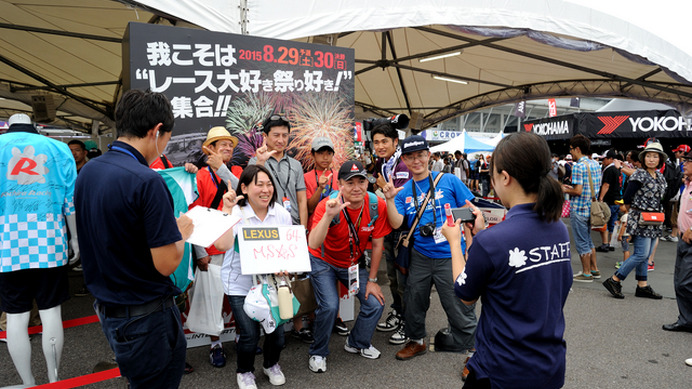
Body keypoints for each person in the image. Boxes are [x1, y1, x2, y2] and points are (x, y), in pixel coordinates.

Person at [75, 89, 194, 389]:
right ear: (156, 131)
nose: (164, 147)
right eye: (166, 138)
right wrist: (181, 233)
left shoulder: (89, 170)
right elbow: (166, 263)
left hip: (110, 308)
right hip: (146, 317)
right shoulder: (147, 180)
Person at [441, 131, 571, 389]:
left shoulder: (494, 241)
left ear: (504, 177)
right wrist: (477, 237)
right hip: (550, 364)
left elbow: (465, 294)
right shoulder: (558, 228)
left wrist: (455, 243)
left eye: (492, 175)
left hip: (501, 370)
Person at [382, 135, 477, 361]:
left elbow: (472, 212)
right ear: (404, 159)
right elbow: (396, 223)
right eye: (410, 157)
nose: (416, 161)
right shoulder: (404, 191)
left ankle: (475, 353)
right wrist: (387, 200)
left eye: (420, 155)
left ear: (428, 156)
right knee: (414, 300)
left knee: (458, 303)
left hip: (450, 255)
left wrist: (467, 243)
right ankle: (417, 341)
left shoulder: (449, 180)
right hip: (420, 255)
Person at [0, 113, 79, 386]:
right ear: (34, 126)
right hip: (50, 240)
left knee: (15, 317)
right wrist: (75, 239)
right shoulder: (58, 148)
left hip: (7, 245)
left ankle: (28, 382)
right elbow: (70, 200)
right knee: (50, 312)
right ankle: (54, 380)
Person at [307, 160, 390, 373]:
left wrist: (372, 281)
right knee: (330, 306)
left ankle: (356, 342)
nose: (356, 187)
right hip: (323, 260)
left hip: (352, 263)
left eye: (361, 181)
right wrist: (328, 215)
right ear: (340, 184)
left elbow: (379, 244)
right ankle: (318, 352)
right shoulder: (328, 204)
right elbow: (313, 244)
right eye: (349, 182)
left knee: (375, 303)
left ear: (367, 182)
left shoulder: (375, 204)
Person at [213, 164, 292, 389]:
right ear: (245, 188)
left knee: (277, 333)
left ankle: (271, 364)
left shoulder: (281, 213)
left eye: (269, 184)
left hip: (271, 283)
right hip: (240, 284)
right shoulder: (237, 213)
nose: (266, 190)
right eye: (259, 184)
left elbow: (288, 248)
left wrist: (286, 266)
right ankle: (245, 371)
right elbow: (222, 244)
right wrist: (227, 211)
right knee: (249, 333)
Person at [188, 126, 240, 367]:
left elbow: (243, 190)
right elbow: (193, 215)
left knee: (240, 296)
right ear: (209, 149)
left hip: (237, 246)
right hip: (211, 249)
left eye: (230, 144)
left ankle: (242, 337)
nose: (228, 147)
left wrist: (222, 168)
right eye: (222, 144)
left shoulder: (237, 171)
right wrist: (199, 252)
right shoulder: (198, 176)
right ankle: (215, 345)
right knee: (213, 300)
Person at [602, 139, 667, 299]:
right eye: (649, 156)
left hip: (655, 219)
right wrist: (633, 216)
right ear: (643, 158)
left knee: (647, 253)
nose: (652, 159)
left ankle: (642, 285)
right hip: (641, 219)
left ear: (660, 159)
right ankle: (615, 279)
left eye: (655, 156)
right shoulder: (639, 174)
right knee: (641, 253)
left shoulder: (659, 176)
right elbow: (627, 198)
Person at [371, 122, 411, 345]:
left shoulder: (402, 164)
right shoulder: (383, 162)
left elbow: (399, 199)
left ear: (396, 142)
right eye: (376, 142)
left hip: (402, 228)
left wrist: (382, 189)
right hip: (388, 225)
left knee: (404, 278)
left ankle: (408, 321)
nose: (380, 145)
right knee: (394, 277)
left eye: (384, 141)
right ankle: (398, 311)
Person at [250, 114, 308, 229]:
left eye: (285, 135)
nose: (281, 140)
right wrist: (261, 161)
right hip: (267, 226)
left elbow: (302, 200)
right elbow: (252, 192)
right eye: (276, 135)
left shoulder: (295, 165)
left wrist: (303, 229)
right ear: (265, 136)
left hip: (293, 226)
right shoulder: (255, 162)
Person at [562, 134, 601, 282]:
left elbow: (577, 191)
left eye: (571, 149)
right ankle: (594, 269)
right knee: (589, 240)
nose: (570, 152)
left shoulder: (578, 166)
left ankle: (586, 273)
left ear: (577, 149)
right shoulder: (595, 164)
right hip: (592, 208)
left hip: (579, 209)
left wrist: (565, 189)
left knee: (581, 241)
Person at [662, 148, 692, 333]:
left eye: (688, 161)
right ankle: (686, 320)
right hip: (683, 238)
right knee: (679, 281)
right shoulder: (688, 184)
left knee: (685, 282)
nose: (684, 163)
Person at [596, 149, 622, 252]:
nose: (603, 161)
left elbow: (606, 185)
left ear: (611, 159)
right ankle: (611, 243)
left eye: (605, 159)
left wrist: (601, 198)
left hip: (609, 200)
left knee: (604, 222)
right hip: (617, 200)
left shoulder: (609, 169)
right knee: (612, 223)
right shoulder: (617, 169)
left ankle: (605, 244)